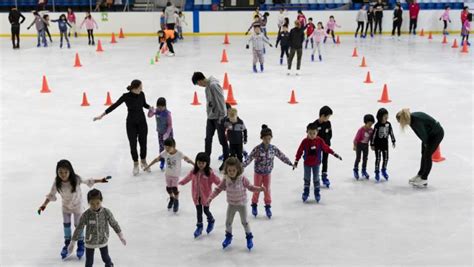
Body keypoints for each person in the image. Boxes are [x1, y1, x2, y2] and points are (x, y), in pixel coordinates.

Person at [38, 160, 109, 260]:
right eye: (60, 172)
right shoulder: (57, 182)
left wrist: (100, 180)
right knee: (66, 226)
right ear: (57, 172)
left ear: (70, 171)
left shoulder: (76, 178)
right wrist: (44, 205)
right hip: (66, 207)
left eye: (65, 172)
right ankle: (67, 244)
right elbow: (51, 194)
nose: (63, 175)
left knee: (78, 226)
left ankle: (80, 244)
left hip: (77, 206)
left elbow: (88, 181)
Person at [93, 80, 152, 176]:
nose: (142, 89)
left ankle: (143, 161)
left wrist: (150, 108)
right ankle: (136, 164)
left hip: (142, 122)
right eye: (140, 87)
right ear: (135, 88)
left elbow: (144, 104)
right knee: (133, 145)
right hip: (131, 124)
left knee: (143, 143)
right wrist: (102, 115)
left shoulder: (141, 94)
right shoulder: (126, 96)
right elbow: (114, 105)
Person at [207, 157, 265, 250]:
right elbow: (218, 189)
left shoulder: (242, 179)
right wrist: (210, 198)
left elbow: (250, 187)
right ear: (226, 170)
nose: (231, 172)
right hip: (231, 204)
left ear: (238, 169)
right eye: (229, 170)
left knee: (245, 222)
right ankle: (228, 237)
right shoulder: (226, 179)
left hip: (242, 204)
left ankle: (249, 238)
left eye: (233, 170)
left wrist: (259, 189)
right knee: (228, 222)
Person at [243, 125, 293, 218]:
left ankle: (268, 206)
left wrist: (290, 163)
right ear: (262, 138)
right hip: (258, 173)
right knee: (256, 189)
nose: (267, 140)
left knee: (267, 190)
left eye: (269, 138)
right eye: (265, 138)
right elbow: (249, 158)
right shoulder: (257, 149)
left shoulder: (273, 149)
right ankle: (254, 205)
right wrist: (242, 166)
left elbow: (281, 156)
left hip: (267, 173)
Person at [68, 189, 126, 267]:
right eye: (92, 204)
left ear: (101, 200)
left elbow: (114, 224)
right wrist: (73, 242)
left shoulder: (106, 212)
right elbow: (79, 228)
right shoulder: (86, 214)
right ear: (89, 203)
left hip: (103, 240)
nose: (95, 206)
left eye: (97, 203)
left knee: (105, 258)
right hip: (90, 241)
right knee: (89, 261)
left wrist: (121, 235)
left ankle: (109, 265)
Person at [294, 123, 342, 203]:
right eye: (310, 133)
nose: (312, 135)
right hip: (307, 164)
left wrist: (334, 153)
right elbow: (299, 151)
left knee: (316, 179)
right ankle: (306, 192)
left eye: (314, 133)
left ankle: (317, 192)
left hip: (316, 164)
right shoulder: (304, 141)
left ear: (317, 132)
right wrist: (296, 161)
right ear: (307, 132)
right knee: (307, 179)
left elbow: (326, 148)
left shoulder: (319, 141)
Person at [396, 109, 444, 187]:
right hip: (429, 134)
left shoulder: (415, 121)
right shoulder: (411, 118)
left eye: (400, 122)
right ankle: (420, 175)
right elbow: (421, 133)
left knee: (427, 155)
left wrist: (426, 143)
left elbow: (422, 134)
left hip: (436, 134)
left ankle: (424, 178)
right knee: (424, 154)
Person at [191, 72, 228, 171]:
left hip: (219, 118)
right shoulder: (207, 86)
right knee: (208, 139)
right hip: (211, 117)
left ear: (200, 80)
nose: (199, 86)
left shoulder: (213, 86)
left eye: (198, 84)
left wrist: (221, 118)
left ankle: (226, 161)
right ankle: (206, 161)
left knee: (222, 140)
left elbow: (221, 102)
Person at [145, 138, 194, 213]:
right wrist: (148, 166)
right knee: (168, 188)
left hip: (175, 175)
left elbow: (187, 159)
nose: (167, 149)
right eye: (165, 147)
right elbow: (156, 159)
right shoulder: (165, 153)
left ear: (173, 146)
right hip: (168, 174)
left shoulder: (179, 154)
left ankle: (176, 201)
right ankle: (172, 198)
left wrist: (195, 165)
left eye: (168, 147)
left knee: (174, 188)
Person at [179, 152, 221, 238]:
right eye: (199, 163)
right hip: (196, 196)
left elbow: (217, 181)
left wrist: (223, 186)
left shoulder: (209, 173)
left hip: (206, 197)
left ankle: (211, 220)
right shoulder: (194, 171)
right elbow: (188, 177)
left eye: (203, 163)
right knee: (199, 212)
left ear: (207, 163)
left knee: (206, 210)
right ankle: (199, 227)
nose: (200, 165)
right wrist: (181, 182)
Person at [370, 108, 396, 181]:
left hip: (385, 145)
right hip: (377, 145)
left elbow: (391, 132)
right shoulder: (377, 125)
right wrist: (372, 144)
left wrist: (393, 140)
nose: (386, 118)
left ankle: (384, 169)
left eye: (387, 116)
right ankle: (377, 171)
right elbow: (373, 135)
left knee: (386, 158)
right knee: (378, 159)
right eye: (385, 116)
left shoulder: (388, 124)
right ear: (380, 117)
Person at [147, 97, 173, 170]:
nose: (160, 108)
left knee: (170, 147)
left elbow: (170, 125)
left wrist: (167, 134)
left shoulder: (167, 114)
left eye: (162, 107)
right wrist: (150, 110)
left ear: (165, 106)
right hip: (160, 133)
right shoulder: (156, 111)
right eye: (158, 107)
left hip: (168, 133)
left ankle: (171, 161)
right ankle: (162, 160)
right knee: (161, 148)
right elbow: (149, 116)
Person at [313, 106, 333, 188]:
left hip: (326, 146)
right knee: (317, 160)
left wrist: (327, 142)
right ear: (322, 116)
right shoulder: (314, 125)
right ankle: (316, 176)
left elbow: (330, 133)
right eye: (328, 116)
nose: (328, 118)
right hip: (317, 147)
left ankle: (324, 175)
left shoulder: (328, 123)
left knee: (325, 160)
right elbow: (311, 136)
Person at [353, 114, 375, 180]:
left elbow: (372, 138)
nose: (370, 126)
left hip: (366, 145)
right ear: (365, 123)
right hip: (359, 145)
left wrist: (372, 145)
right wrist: (354, 145)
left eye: (371, 124)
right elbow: (356, 139)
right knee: (358, 158)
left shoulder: (371, 130)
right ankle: (355, 170)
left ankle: (364, 170)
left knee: (365, 158)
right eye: (369, 124)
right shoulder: (361, 130)